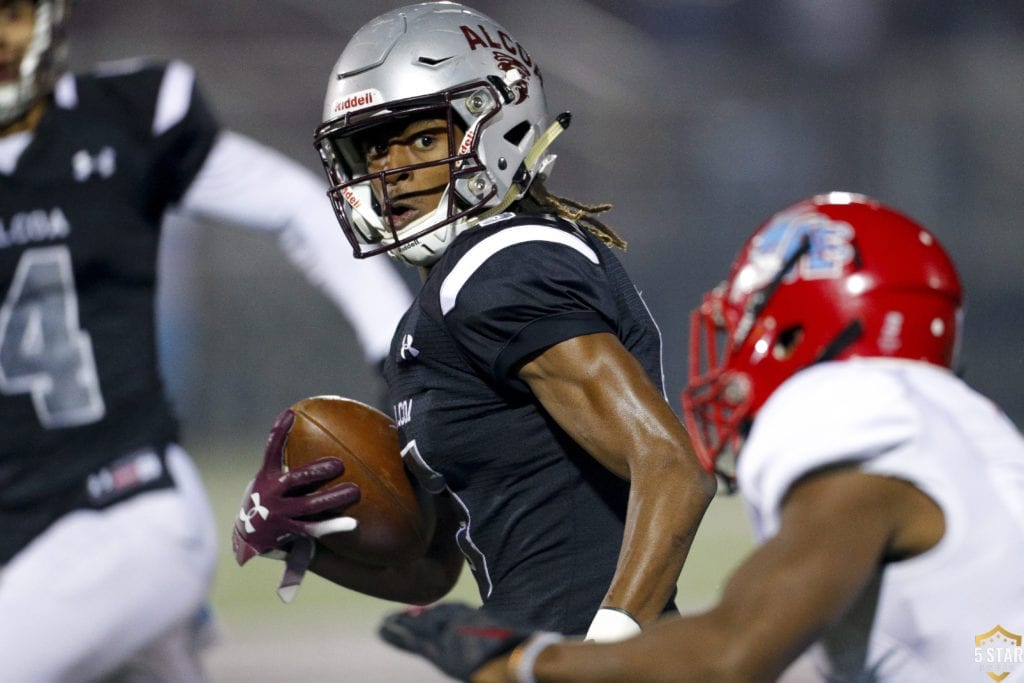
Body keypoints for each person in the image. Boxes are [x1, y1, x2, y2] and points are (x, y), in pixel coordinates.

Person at [375, 192, 1024, 683]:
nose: (734, 350)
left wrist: (524, 659)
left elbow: (731, 653)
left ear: (801, 326)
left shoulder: (855, 412)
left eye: (751, 319)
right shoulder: (969, 432)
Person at [232, 0, 716, 644]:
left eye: (422, 139)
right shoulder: (441, 307)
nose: (392, 172)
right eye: (374, 149)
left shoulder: (500, 264)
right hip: (534, 651)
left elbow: (673, 470)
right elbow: (431, 571)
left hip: (592, 657)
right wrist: (294, 540)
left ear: (499, 125)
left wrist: (601, 654)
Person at [0, 1, 412, 681]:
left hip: (122, 505)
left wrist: (399, 353)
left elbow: (297, 206)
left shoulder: (121, 118)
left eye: (11, 13)